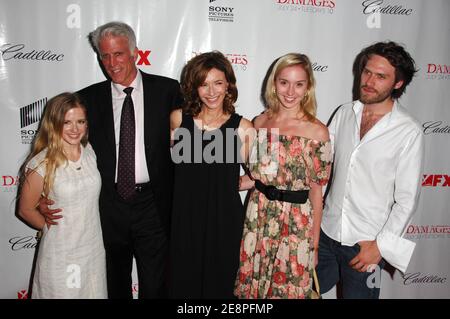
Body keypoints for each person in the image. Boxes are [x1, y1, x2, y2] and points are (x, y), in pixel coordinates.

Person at [39, 22, 182, 298]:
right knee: (114, 284)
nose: (111, 63)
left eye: (117, 54)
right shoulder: (87, 99)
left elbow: (194, 140)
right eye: (104, 55)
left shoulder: (167, 90)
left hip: (154, 205)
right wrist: (43, 192)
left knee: (156, 285)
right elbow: (58, 147)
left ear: (134, 53)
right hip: (107, 205)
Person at [317, 41, 425, 299]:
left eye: (381, 76)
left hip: (364, 244)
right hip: (325, 234)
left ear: (397, 84)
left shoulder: (408, 131)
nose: (369, 81)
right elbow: (321, 165)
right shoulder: (344, 112)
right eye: (367, 72)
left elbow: (407, 200)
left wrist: (380, 247)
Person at [234, 53, 331, 299]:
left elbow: (317, 193)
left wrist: (315, 245)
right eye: (284, 82)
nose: (290, 91)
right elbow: (259, 177)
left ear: (308, 87)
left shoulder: (317, 131)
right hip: (258, 216)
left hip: (296, 223)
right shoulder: (259, 122)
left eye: (299, 84)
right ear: (273, 84)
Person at [169, 51, 253, 298]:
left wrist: (230, 184)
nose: (211, 91)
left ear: (228, 84)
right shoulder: (178, 120)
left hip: (223, 220)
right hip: (184, 219)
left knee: (221, 287)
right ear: (194, 87)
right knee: (184, 285)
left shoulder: (242, 127)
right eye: (203, 84)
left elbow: (259, 175)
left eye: (218, 82)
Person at [18, 92, 107, 298]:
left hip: (93, 250)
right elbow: (25, 209)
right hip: (63, 255)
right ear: (54, 124)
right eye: (67, 122)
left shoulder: (89, 152)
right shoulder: (42, 163)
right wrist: (53, 229)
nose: (75, 129)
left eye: (80, 121)